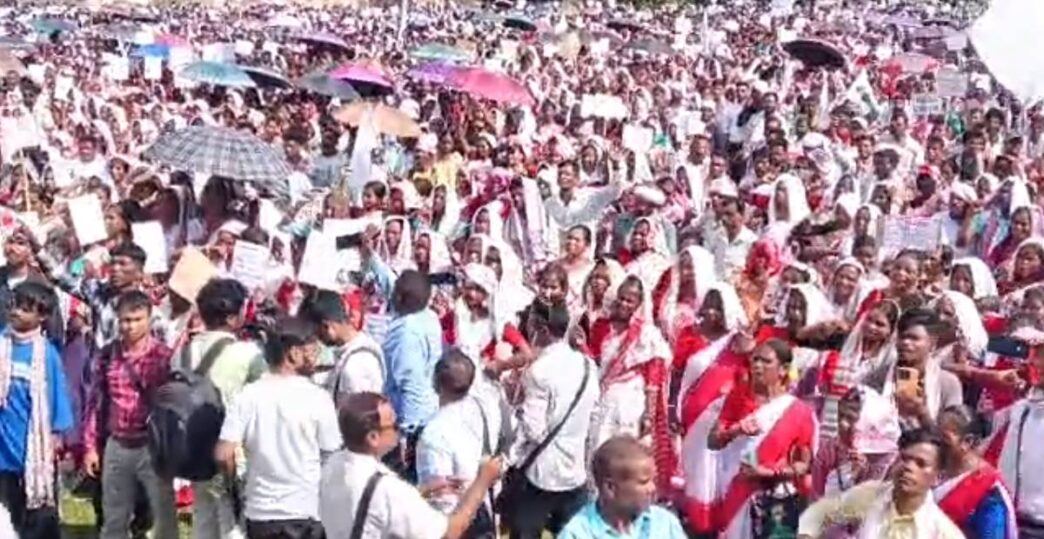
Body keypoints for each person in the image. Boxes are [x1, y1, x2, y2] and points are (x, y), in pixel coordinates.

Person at [215, 315, 342, 539]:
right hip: (306, 511)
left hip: (261, 513)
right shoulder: (317, 398)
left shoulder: (248, 395)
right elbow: (331, 454)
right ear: (293, 353)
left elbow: (223, 453)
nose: (315, 356)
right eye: (311, 349)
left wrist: (237, 488)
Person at [319, 392, 502, 539]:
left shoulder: (333, 465)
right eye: (393, 425)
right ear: (373, 438)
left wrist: (419, 492)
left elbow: (373, 508)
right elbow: (449, 532)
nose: (398, 430)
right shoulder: (388, 489)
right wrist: (483, 481)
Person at [82, 291, 178, 539]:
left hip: (152, 447)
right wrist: (91, 446)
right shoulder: (106, 355)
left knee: (163, 518)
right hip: (117, 445)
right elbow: (95, 403)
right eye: (125, 320)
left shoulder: (165, 357)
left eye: (137, 319)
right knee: (114, 517)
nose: (130, 326)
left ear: (149, 320)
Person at [503, 300, 599, 539]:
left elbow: (534, 432)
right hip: (574, 472)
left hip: (541, 475)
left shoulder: (538, 371)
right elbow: (594, 413)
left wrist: (516, 405)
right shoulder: (587, 364)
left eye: (530, 323)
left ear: (542, 330)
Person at [705, 339, 816, 538]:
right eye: (754, 359)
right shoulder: (736, 399)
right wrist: (735, 431)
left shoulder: (799, 411)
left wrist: (769, 472)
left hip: (777, 503)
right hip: (735, 494)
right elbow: (712, 442)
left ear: (783, 370)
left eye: (765, 361)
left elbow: (803, 465)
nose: (757, 365)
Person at [184, 278, 266, 539]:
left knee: (203, 523)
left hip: (193, 451)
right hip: (233, 456)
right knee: (232, 526)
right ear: (233, 317)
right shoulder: (247, 354)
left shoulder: (184, 351)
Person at [0, 282, 73, 538]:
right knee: (8, 510)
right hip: (4, 445)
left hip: (33, 447)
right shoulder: (2, 343)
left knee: (39, 514)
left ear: (41, 316)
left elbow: (57, 398)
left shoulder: (47, 355)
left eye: (25, 308)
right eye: (15, 305)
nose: (17, 312)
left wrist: (56, 435)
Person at [797, 429, 964, 538]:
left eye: (921, 464)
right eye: (905, 459)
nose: (908, 467)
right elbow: (818, 514)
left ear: (937, 477)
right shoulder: (870, 495)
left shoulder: (942, 532)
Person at [416, 349, 497, 537]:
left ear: (436, 384)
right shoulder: (485, 409)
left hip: (458, 524)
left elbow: (441, 503)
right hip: (484, 512)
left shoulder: (434, 435)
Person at [557, 435, 687, 539]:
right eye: (644, 482)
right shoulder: (577, 534)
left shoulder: (664, 522)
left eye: (653, 480)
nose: (652, 488)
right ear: (610, 488)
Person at [382, 269, 443, 480]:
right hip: (430, 410)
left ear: (399, 297)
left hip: (412, 422)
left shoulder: (405, 332)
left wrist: (404, 434)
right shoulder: (428, 316)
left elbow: (410, 382)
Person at [934, 405, 1016, 539]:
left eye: (943, 439)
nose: (936, 444)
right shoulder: (931, 470)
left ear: (967, 441)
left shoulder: (989, 492)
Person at [302, 289, 384, 399]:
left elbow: (358, 413)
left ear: (327, 326)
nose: (316, 337)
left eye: (317, 331)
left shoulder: (355, 365)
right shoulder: (357, 348)